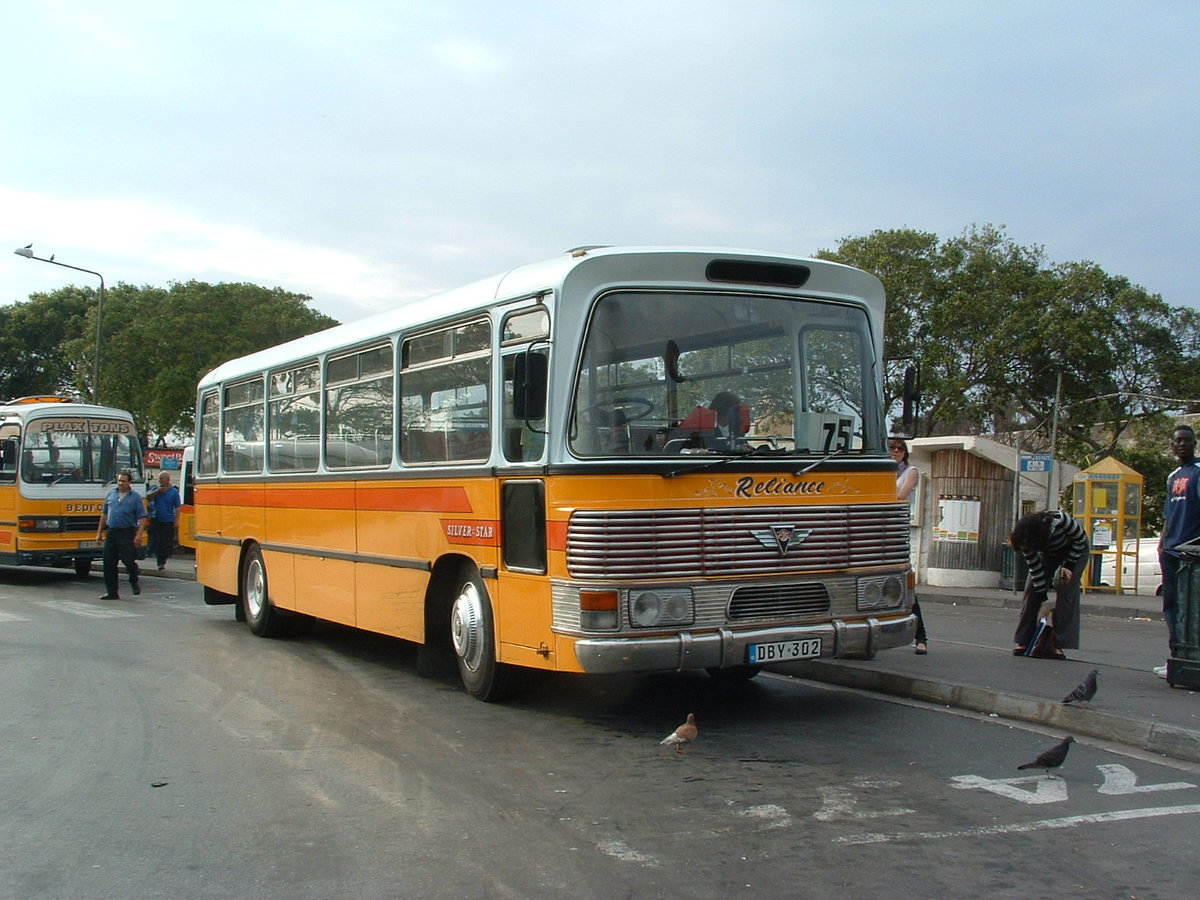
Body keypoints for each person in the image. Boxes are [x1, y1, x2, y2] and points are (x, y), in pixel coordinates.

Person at [1008, 509, 1089, 659]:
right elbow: (1036, 571)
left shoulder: (1061, 520)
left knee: (1066, 591)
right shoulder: (1026, 540)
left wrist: (1069, 566)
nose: (1028, 549)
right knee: (1031, 590)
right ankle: (1024, 641)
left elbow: (1080, 539)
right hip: (1050, 553)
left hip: (1076, 550)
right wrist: (1043, 600)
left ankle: (1058, 644)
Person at [1157, 424, 1200, 678]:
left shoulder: (1198, 471)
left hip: (1191, 554)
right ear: (1172, 446)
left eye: (1187, 440)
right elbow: (1168, 515)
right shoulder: (1173, 476)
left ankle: (1190, 658)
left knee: (1191, 607)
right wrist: (1162, 544)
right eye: (1178, 441)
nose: (1183, 444)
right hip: (1170, 551)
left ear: (1194, 443)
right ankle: (1175, 657)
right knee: (1171, 605)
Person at [891, 437, 928, 654]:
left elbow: (901, 496)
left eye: (900, 449)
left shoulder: (910, 471)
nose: (896, 451)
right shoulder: (879, 471)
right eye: (892, 448)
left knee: (906, 583)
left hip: (897, 532)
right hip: (877, 530)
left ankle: (921, 637)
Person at [96, 469, 149, 600]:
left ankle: (133, 579)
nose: (120, 483)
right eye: (119, 480)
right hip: (112, 531)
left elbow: (142, 517)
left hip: (127, 532)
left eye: (123, 481)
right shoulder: (111, 495)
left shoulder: (135, 497)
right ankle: (112, 592)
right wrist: (99, 533)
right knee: (108, 562)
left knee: (128, 560)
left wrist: (139, 534)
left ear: (129, 482)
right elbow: (104, 514)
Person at [145, 472, 182, 570]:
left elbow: (178, 507)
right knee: (154, 538)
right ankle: (149, 551)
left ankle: (161, 562)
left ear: (167, 480)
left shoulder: (173, 492)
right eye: (159, 478)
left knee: (164, 542)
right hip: (155, 518)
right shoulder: (156, 489)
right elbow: (148, 497)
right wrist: (157, 492)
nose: (159, 480)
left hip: (168, 520)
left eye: (161, 478)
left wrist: (176, 520)